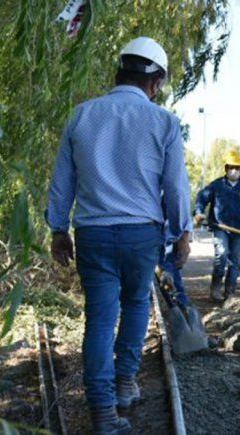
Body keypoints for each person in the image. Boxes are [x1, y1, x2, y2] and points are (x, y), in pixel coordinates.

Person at [46, 37, 191, 435]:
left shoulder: (81, 116)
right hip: (141, 235)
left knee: (98, 320)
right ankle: (125, 381)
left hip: (92, 233)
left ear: (119, 69)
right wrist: (180, 234)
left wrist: (58, 230)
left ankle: (104, 413)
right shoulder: (164, 122)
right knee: (135, 306)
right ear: (156, 81)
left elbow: (62, 183)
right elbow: (175, 187)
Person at [194, 150, 240, 301]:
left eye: (238, 168)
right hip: (220, 228)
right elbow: (201, 198)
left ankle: (230, 291)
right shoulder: (216, 186)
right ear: (226, 168)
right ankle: (215, 288)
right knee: (222, 254)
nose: (235, 170)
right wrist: (199, 212)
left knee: (236, 262)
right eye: (232, 167)